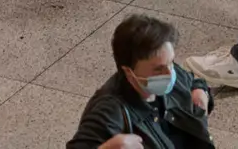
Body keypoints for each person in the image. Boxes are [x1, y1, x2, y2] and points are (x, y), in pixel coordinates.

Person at [66, 14, 214, 149]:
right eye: (158, 69)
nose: (170, 74)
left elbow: (192, 80)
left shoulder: (171, 72)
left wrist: (201, 90)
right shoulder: (109, 110)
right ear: (129, 72)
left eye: (171, 62)